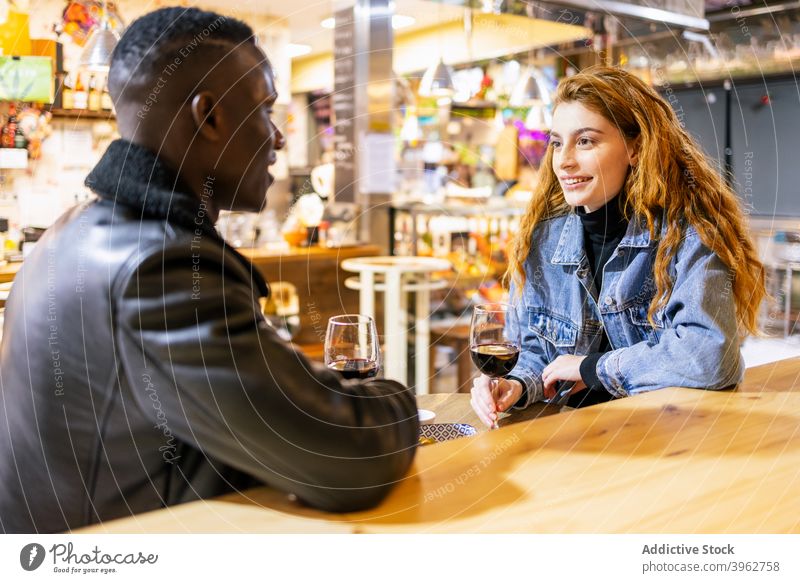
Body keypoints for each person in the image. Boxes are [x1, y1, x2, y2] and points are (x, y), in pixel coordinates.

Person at [0, 7, 418, 533]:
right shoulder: (162, 269)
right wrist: (405, 406)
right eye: (266, 109)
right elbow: (351, 456)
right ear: (210, 116)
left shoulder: (68, 232)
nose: (280, 137)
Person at [471, 66, 765, 427]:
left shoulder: (687, 236)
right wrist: (516, 383)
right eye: (558, 142)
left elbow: (710, 356)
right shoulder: (543, 239)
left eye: (586, 141)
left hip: (668, 442)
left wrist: (593, 368)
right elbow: (536, 351)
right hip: (577, 444)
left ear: (635, 148)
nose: (564, 161)